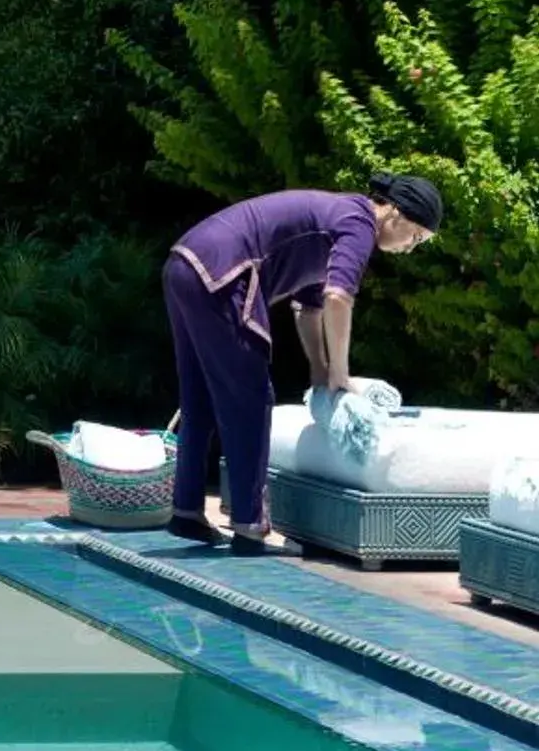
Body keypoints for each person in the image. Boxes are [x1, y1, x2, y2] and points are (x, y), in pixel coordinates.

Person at [164, 172, 442, 551]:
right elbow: (339, 297)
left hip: (185, 263)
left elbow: (309, 307)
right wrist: (342, 373)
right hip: (224, 273)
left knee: (200, 397)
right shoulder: (359, 224)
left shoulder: (337, 215)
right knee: (251, 398)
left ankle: (186, 513)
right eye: (416, 236)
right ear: (395, 212)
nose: (411, 248)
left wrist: (321, 369)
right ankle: (249, 524)